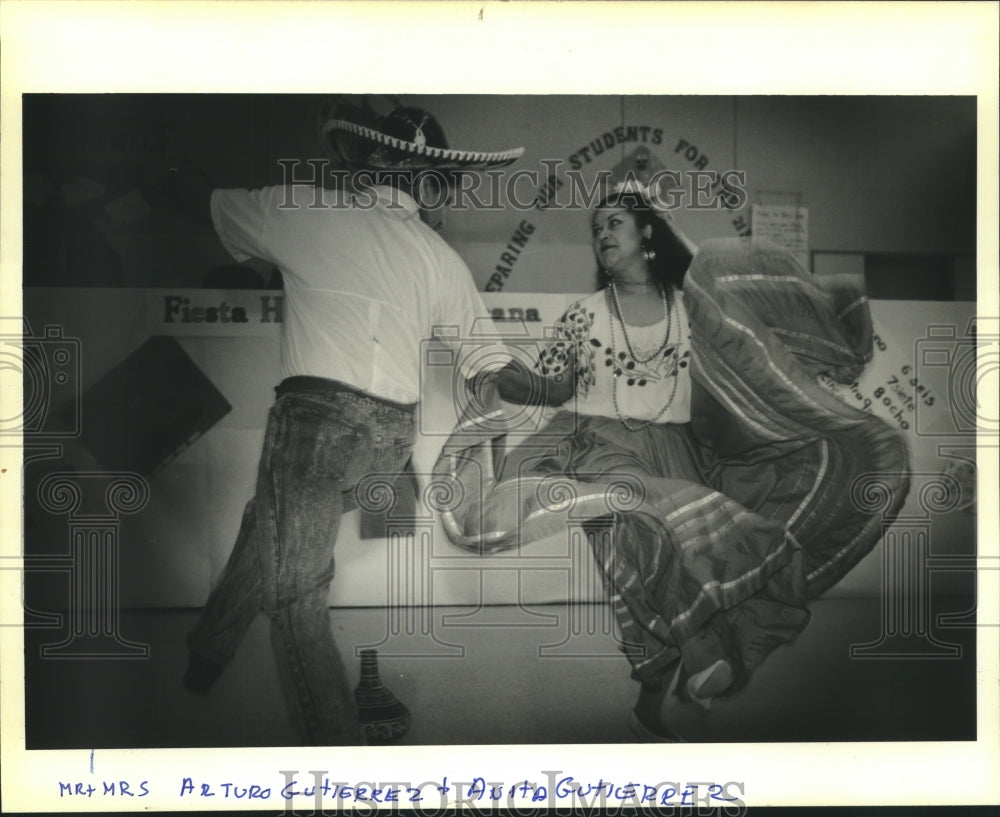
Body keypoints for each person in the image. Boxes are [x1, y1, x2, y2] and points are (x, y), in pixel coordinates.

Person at [433, 179, 911, 741]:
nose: (602, 234)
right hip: (599, 447)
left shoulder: (694, 309)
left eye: (615, 222)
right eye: (597, 227)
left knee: (658, 573)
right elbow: (552, 386)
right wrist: (501, 375)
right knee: (636, 536)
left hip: (680, 450)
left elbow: (748, 357)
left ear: (647, 233)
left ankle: (654, 700)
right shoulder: (582, 316)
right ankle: (702, 654)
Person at [179, 98, 522, 745]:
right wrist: (494, 435)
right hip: (389, 443)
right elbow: (488, 363)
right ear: (425, 179)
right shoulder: (439, 259)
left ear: (371, 164)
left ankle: (337, 761)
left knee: (298, 596)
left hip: (317, 427)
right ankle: (208, 649)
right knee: (270, 521)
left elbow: (208, 204)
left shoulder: (305, 212)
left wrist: (162, 170)